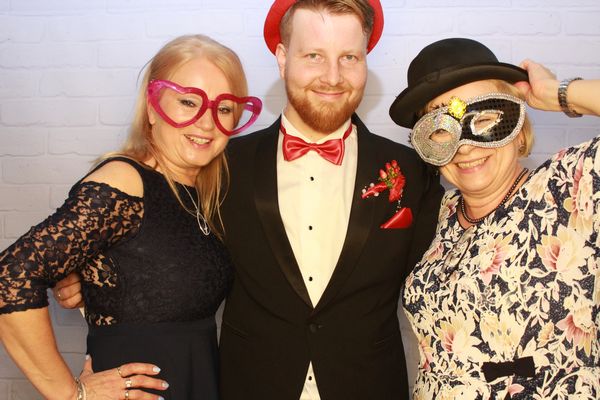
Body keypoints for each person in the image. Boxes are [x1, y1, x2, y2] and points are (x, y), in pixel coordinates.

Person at [0, 34, 262, 399]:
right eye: (188, 102)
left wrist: (87, 282)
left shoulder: (204, 192)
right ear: (152, 109)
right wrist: (70, 394)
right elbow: (11, 274)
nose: (206, 123)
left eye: (223, 109)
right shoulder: (125, 180)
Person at [217, 1, 442, 399]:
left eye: (349, 57)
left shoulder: (414, 170)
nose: (333, 77)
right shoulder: (224, 166)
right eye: (314, 56)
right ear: (283, 58)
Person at [390, 37, 600, 399]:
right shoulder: (436, 215)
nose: (465, 146)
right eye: (442, 129)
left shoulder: (571, 186)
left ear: (517, 128)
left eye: (485, 119)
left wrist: (558, 93)